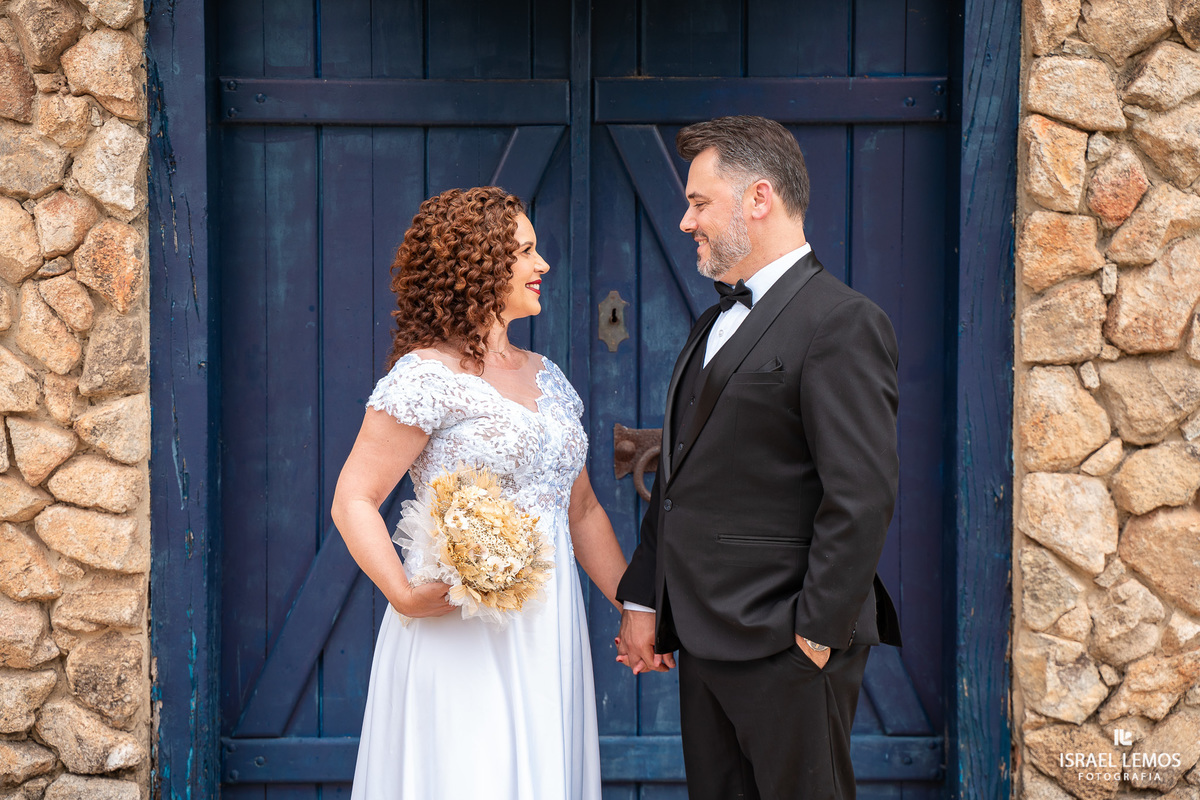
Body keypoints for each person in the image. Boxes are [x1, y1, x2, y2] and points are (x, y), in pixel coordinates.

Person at [614, 116, 903, 800]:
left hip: (788, 644)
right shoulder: (710, 324)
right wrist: (644, 596)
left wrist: (816, 633)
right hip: (705, 641)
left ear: (759, 199)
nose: (687, 222)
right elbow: (682, 478)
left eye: (698, 202)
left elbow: (861, 493)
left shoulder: (843, 322)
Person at [332, 186, 627, 799]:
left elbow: (582, 510)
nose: (542, 265)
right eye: (524, 252)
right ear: (477, 266)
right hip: (461, 627)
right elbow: (354, 497)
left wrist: (634, 607)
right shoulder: (425, 377)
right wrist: (404, 594)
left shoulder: (549, 376)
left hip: (548, 628)